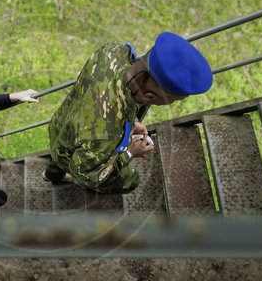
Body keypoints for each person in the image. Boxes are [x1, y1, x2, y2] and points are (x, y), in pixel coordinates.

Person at [43, 32, 213, 193]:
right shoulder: (105, 134)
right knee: (131, 180)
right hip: (78, 151)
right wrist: (129, 153)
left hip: (61, 126)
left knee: (58, 156)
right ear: (150, 96)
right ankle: (56, 174)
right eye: (174, 100)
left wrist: (129, 125)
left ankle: (50, 175)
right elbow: (86, 177)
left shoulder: (114, 51)